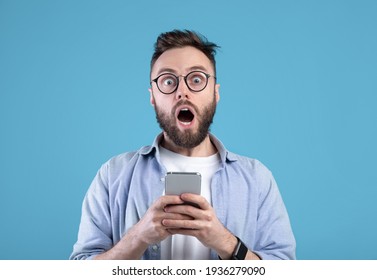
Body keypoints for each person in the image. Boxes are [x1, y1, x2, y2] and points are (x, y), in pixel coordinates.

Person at [70, 29, 296, 260]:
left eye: (196, 79)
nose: (182, 92)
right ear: (152, 97)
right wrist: (138, 237)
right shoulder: (113, 175)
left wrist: (225, 242)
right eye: (168, 81)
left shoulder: (257, 178)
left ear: (215, 93)